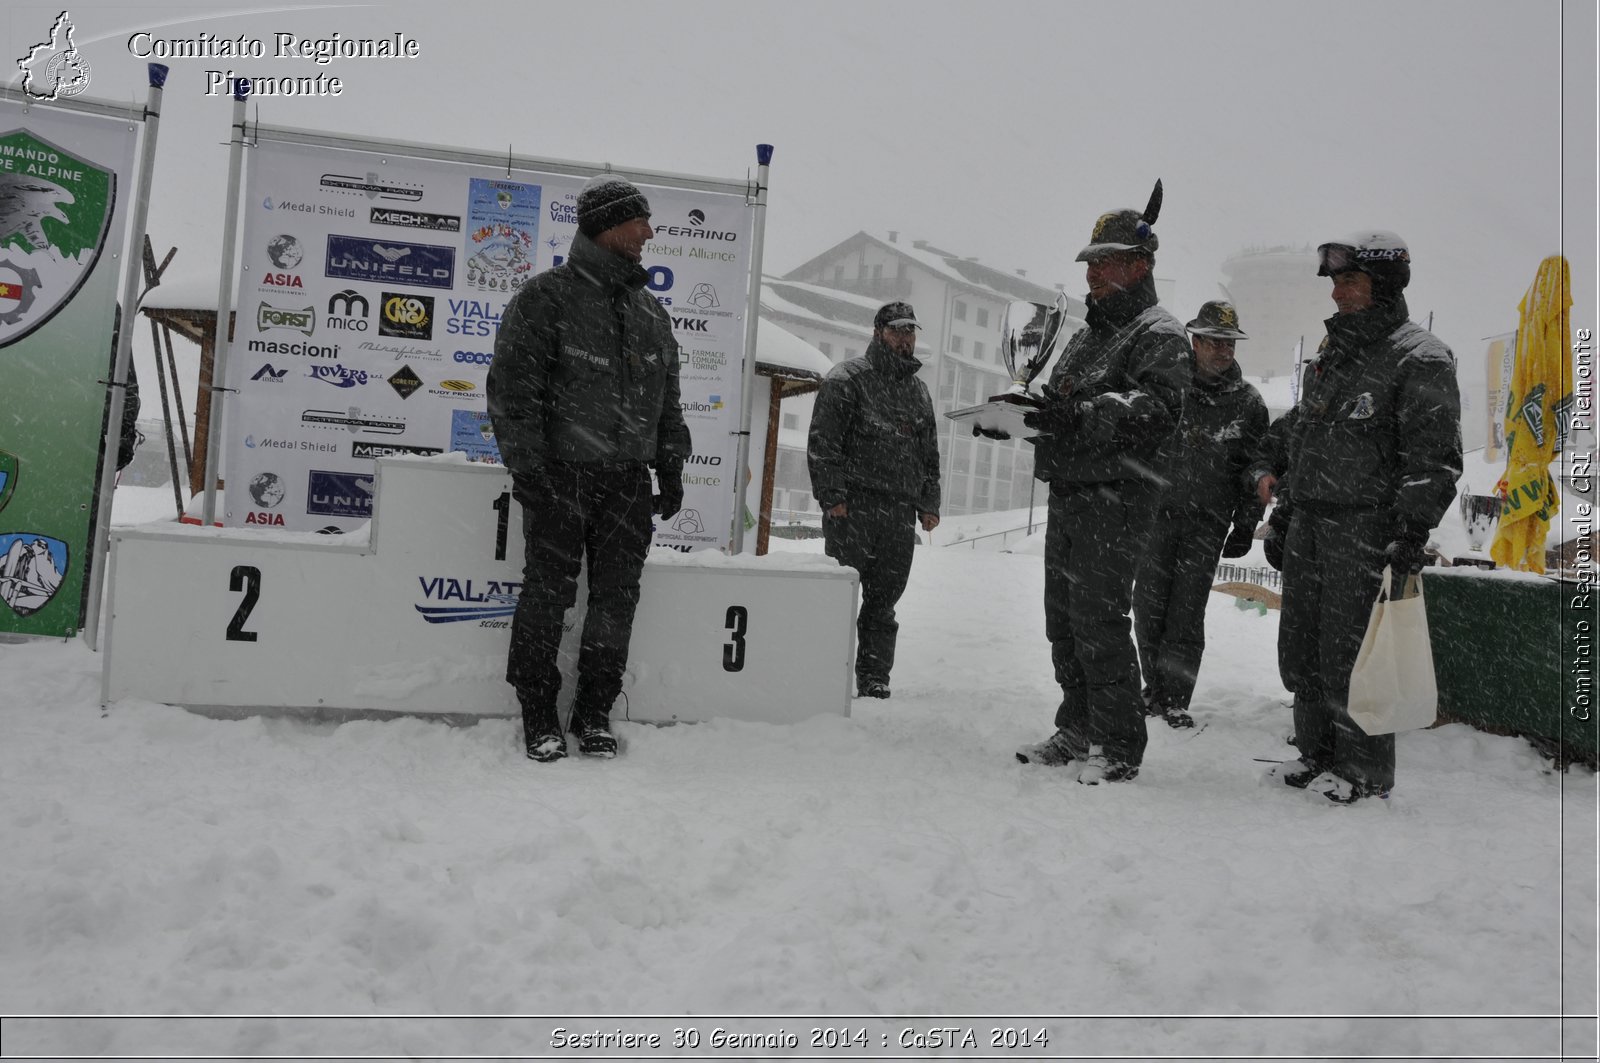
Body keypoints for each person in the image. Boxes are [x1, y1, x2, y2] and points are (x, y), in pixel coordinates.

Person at [487, 173, 691, 763]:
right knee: (547, 596)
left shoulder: (651, 312)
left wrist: (670, 467)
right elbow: (512, 392)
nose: (650, 232)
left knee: (616, 600)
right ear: (607, 226)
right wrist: (529, 469)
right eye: (639, 221)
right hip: (561, 476)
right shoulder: (544, 298)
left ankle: (595, 712)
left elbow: (667, 399)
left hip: (628, 482)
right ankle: (538, 713)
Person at [1264, 230, 1461, 803]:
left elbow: (1433, 460)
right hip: (1311, 524)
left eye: (1349, 281)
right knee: (1302, 648)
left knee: (1354, 656)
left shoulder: (1420, 357)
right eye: (1336, 282)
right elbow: (1306, 438)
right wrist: (1286, 512)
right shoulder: (1333, 355)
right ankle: (1317, 754)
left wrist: (1410, 531)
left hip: (1366, 527)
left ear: (1385, 284)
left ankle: (1363, 771)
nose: (1337, 295)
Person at [1013, 183, 1191, 783]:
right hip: (1073, 489)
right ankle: (1079, 726)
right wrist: (1023, 419)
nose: (1090, 274)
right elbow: (1068, 403)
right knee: (1061, 617)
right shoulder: (1092, 333)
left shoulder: (1158, 333)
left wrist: (1081, 416)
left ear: (1139, 265)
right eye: (1089, 263)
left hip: (1116, 497)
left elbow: (1156, 409)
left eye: (1102, 262)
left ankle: (1117, 744)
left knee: (1099, 618)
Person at [1133, 301, 1268, 729]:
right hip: (1155, 515)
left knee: (1185, 613)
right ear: (1195, 341)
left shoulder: (1249, 404)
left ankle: (1174, 699)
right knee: (1148, 606)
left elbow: (1254, 468)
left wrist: (1245, 525)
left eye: (1229, 342)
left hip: (1207, 524)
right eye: (1215, 341)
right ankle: (1152, 689)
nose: (1224, 350)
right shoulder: (1167, 387)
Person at [806, 301, 941, 699]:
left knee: (884, 602)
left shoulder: (918, 391)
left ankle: (874, 678)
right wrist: (833, 496)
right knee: (842, 595)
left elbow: (928, 452)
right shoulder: (846, 379)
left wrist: (928, 502)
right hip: (853, 507)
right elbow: (822, 444)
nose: (905, 338)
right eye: (898, 330)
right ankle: (829, 671)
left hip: (898, 512)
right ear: (879, 332)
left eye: (910, 331)